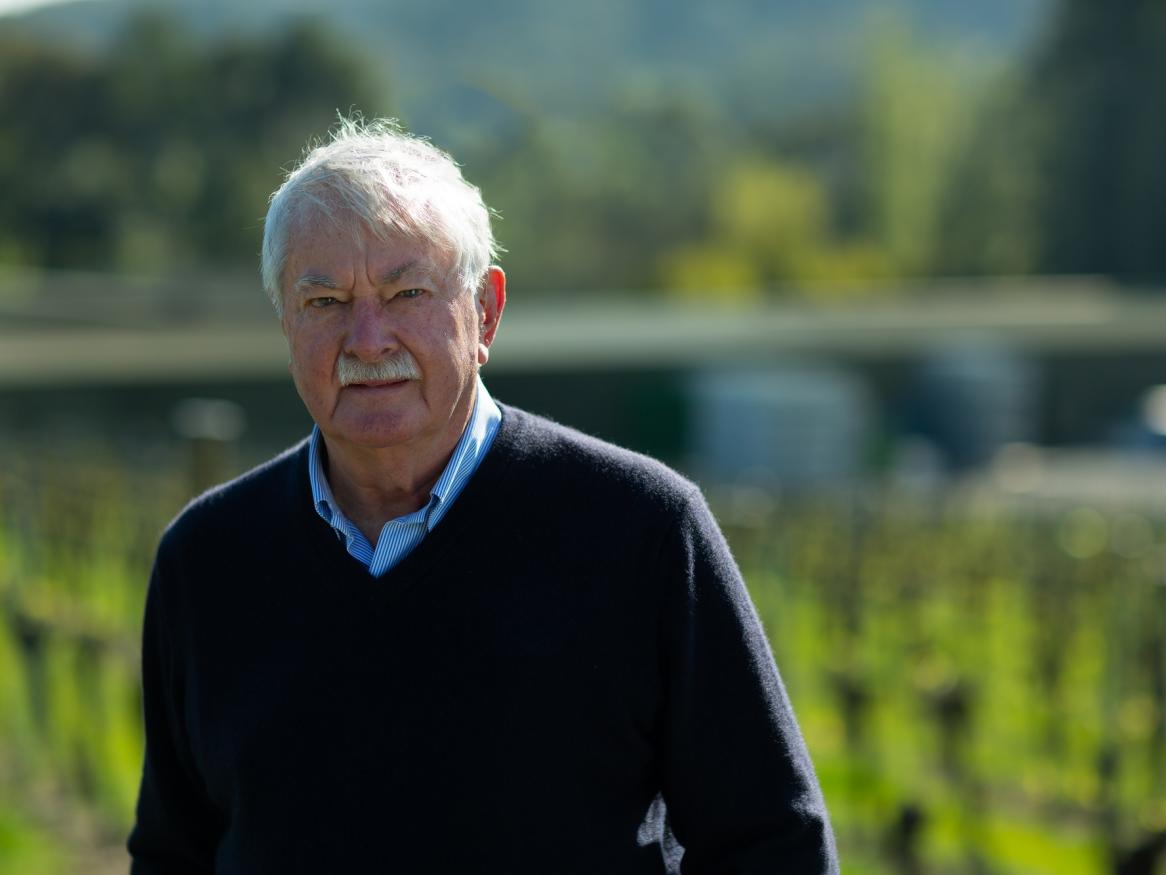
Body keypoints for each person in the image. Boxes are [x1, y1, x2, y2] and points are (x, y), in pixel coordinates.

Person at [127, 117, 837, 874]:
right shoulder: (206, 561)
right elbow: (174, 852)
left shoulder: (642, 531)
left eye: (407, 293)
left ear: (486, 313)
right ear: (285, 324)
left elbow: (772, 845)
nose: (367, 339)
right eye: (325, 301)